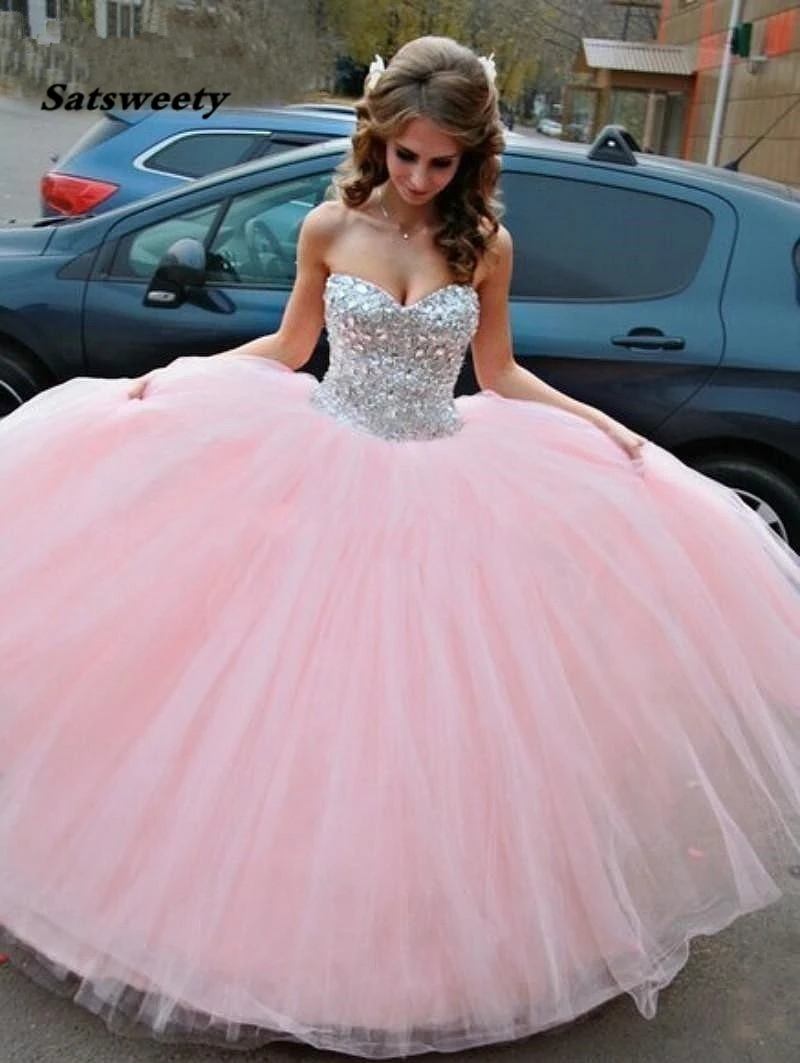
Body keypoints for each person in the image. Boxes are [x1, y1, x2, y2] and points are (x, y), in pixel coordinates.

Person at [0, 35, 799, 1059]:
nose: (419, 178)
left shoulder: (482, 246)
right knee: (288, 716)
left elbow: (498, 373)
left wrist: (608, 429)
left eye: (440, 162)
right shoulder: (331, 225)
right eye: (405, 155)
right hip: (320, 467)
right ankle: (271, 930)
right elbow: (291, 348)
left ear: (469, 159)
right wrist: (177, 378)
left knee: (446, 730)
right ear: (379, 141)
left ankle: (432, 941)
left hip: (446, 478)